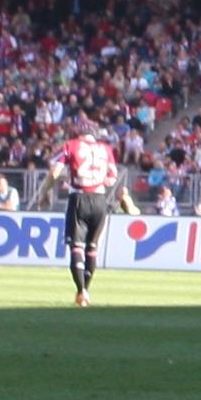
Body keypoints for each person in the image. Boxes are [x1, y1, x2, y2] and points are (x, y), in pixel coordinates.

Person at [41, 118, 131, 307]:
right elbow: (112, 178)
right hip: (99, 200)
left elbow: (54, 172)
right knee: (92, 248)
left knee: (76, 247)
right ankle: (86, 291)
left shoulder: (71, 145)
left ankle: (81, 290)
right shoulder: (106, 149)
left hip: (79, 198)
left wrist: (45, 193)